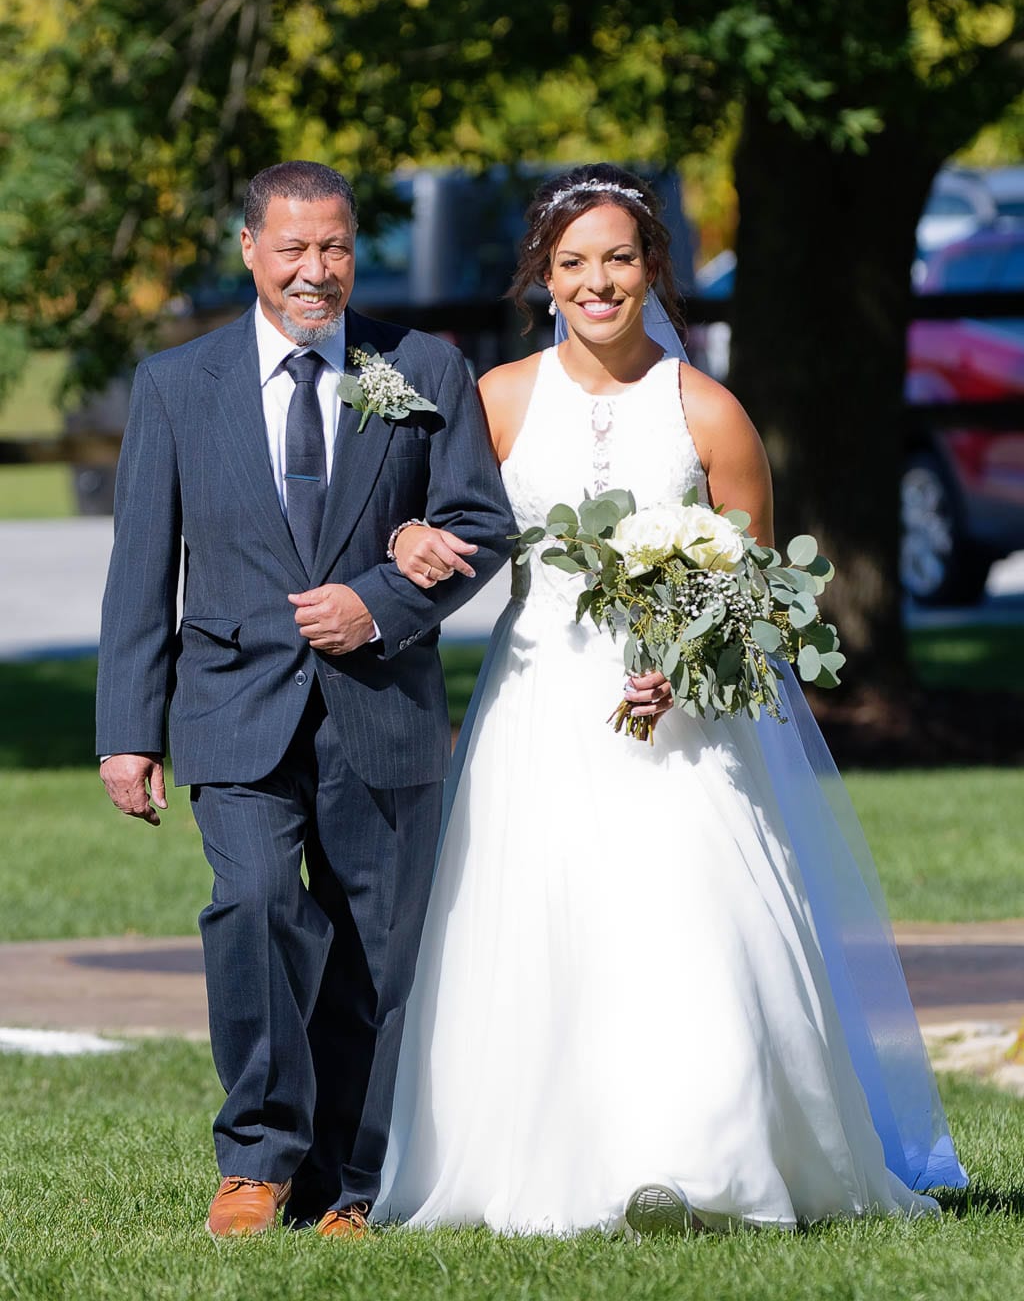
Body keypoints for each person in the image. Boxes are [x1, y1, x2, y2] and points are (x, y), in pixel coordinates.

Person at [375, 163, 967, 1236]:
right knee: (541, 919)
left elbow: (759, 590)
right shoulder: (499, 400)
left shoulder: (709, 411)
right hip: (540, 698)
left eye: (618, 259)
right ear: (541, 278)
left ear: (653, 269)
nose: (596, 282)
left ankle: (711, 1160)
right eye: (572, 264)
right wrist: (408, 535)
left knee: (687, 918)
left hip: (688, 717)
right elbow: (433, 525)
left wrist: (690, 663)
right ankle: (539, 1166)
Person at [96, 160, 516, 1239]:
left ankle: (356, 1183)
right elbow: (141, 570)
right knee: (253, 906)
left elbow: (480, 527)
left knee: (377, 951)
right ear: (249, 251)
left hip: (381, 712)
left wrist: (378, 605)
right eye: (292, 249)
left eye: (334, 247)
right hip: (230, 707)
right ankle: (258, 1160)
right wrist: (127, 734)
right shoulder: (176, 385)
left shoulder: (422, 366)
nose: (314, 271)